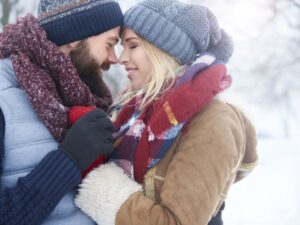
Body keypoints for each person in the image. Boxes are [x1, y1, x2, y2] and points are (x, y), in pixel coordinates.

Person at [74, 0, 259, 225]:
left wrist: (98, 185)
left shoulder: (213, 120)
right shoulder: (130, 110)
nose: (121, 58)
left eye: (132, 45)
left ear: (164, 50)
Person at [0, 0, 123, 224]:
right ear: (75, 37)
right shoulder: (4, 95)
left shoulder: (81, 94)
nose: (114, 58)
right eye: (110, 44)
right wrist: (68, 160)